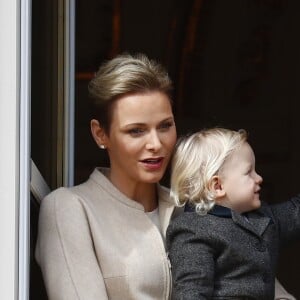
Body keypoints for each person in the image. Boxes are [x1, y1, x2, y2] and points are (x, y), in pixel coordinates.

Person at [35, 53, 178, 299]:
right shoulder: (69, 209)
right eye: (136, 131)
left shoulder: (189, 209)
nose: (156, 143)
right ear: (100, 134)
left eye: (165, 126)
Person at [166, 127, 299, 300]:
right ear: (217, 186)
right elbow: (192, 292)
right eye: (249, 172)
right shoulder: (193, 230)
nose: (259, 178)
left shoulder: (264, 218)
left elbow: (296, 211)